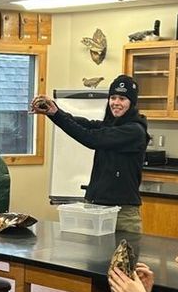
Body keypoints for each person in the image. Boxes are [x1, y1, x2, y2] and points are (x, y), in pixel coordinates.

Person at [30, 73, 149, 234]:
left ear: (132, 103)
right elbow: (86, 124)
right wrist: (55, 112)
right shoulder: (110, 126)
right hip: (96, 209)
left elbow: (91, 138)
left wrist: (57, 115)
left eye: (122, 99)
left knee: (123, 259)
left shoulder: (134, 131)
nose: (116, 103)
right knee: (93, 259)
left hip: (122, 214)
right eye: (113, 97)